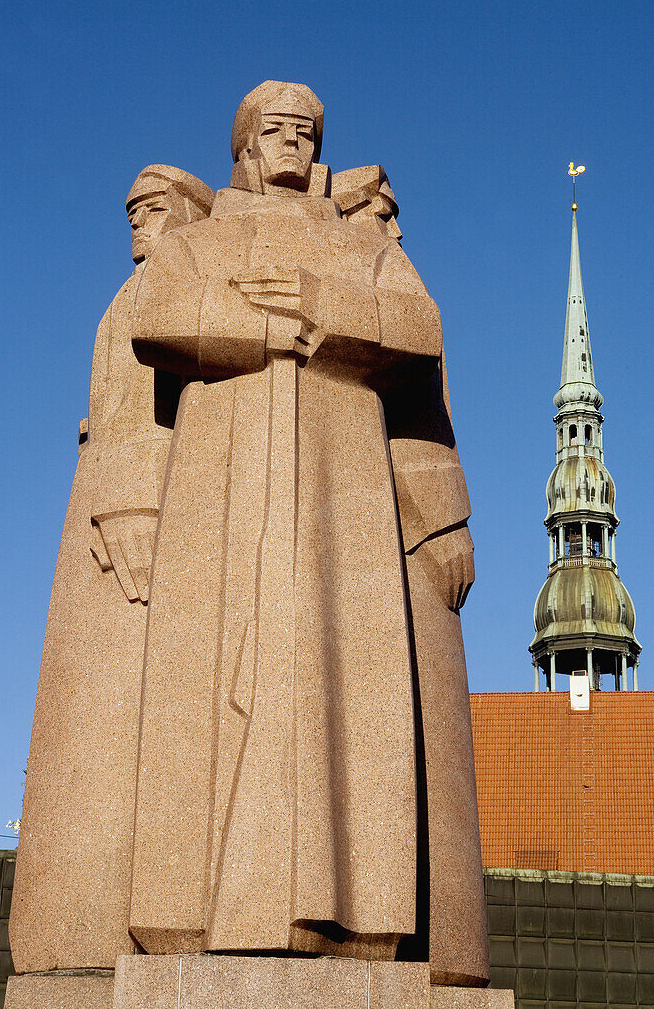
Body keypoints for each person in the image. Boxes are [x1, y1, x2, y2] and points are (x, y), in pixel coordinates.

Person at [128, 83, 489, 986]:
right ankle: (191, 909)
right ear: (245, 144)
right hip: (221, 476)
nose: (290, 140)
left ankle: (349, 913)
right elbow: (158, 318)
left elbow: (419, 329)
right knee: (211, 678)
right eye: (273, 128)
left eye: (304, 130)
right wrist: (261, 329)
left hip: (342, 492)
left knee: (336, 675)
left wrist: (321, 304)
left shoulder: (358, 245)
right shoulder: (199, 240)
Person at [10, 166, 214, 973]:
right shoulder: (135, 289)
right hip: (104, 519)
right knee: (93, 721)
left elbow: (148, 412)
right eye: (132, 208)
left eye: (153, 207)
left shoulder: (170, 282)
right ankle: (77, 926)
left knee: (121, 718)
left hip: (133, 522)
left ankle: (102, 925)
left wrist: (130, 499)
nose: (136, 218)